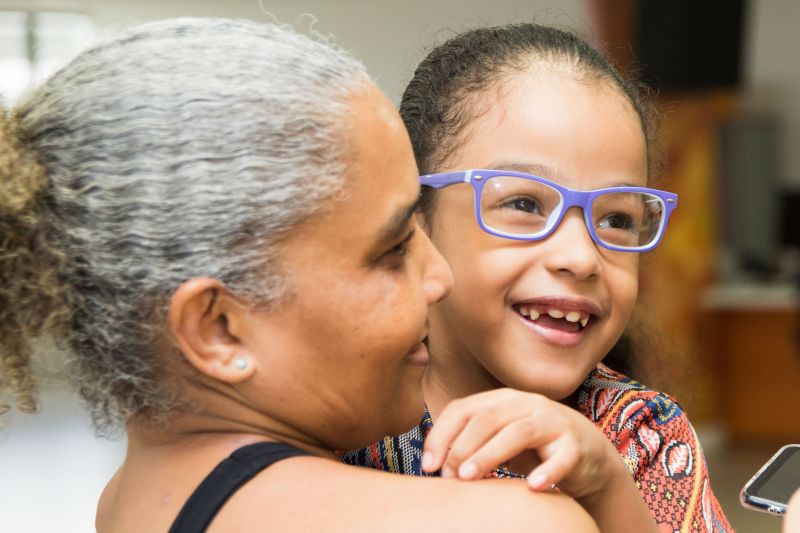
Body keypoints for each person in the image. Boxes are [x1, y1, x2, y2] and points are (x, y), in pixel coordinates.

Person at [0, 18, 598, 532]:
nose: (438, 276)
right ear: (218, 329)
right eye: (392, 251)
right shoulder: (511, 521)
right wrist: (602, 493)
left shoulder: (128, 500)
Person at [342, 23, 732, 532]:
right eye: (524, 204)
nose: (582, 257)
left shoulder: (645, 435)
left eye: (616, 218)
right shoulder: (343, 408)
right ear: (415, 220)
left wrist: (608, 484)